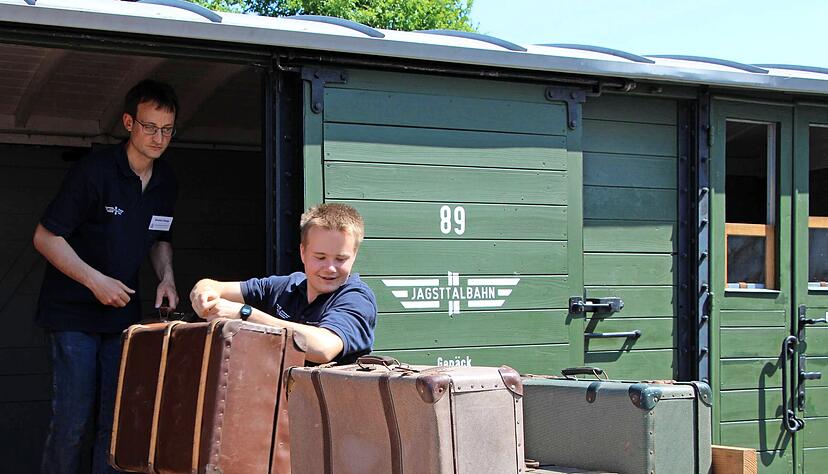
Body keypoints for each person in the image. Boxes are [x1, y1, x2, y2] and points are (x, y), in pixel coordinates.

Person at [33, 79, 179, 474]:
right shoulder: (94, 172)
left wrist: (166, 278)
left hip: (121, 318)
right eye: (150, 127)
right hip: (72, 316)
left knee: (116, 426)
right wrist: (94, 280)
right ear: (129, 122)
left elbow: (159, 235)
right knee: (73, 423)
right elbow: (46, 237)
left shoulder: (166, 181)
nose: (158, 137)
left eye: (167, 129)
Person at [190, 203, 377, 364]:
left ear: (354, 256)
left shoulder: (356, 298)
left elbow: (323, 348)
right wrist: (203, 293)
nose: (330, 268)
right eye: (320, 257)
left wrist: (245, 314)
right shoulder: (285, 286)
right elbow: (214, 286)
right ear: (303, 252)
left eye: (340, 259)